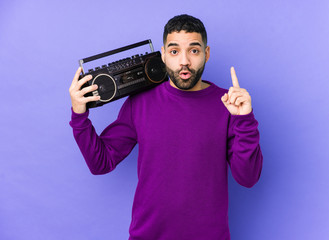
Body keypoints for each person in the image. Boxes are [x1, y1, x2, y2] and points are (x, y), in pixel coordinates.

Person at [69, 14, 263, 240]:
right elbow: (100, 163)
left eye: (194, 50)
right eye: (174, 51)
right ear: (162, 54)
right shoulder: (140, 103)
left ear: (206, 54)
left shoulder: (228, 104)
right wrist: (79, 115)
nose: (184, 61)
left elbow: (248, 178)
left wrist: (245, 120)